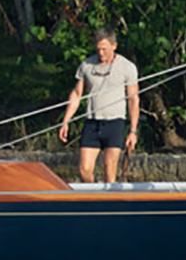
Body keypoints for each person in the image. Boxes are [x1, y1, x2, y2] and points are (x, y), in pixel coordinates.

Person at [59, 28, 140, 182]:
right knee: (84, 170)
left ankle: (110, 203)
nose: (101, 53)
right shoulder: (87, 65)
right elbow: (77, 94)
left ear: (114, 46)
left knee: (109, 170)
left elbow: (133, 99)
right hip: (92, 122)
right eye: (98, 49)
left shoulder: (127, 67)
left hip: (115, 122)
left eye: (104, 49)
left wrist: (133, 131)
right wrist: (66, 121)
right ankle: (91, 199)